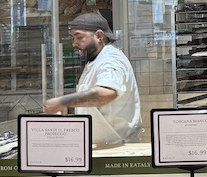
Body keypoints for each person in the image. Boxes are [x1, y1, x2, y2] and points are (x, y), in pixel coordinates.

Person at [43, 12, 142, 146]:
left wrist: (62, 102)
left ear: (99, 36)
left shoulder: (111, 60)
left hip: (117, 149)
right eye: (73, 38)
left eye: (79, 37)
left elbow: (107, 93)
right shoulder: (96, 60)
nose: (74, 43)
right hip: (104, 145)